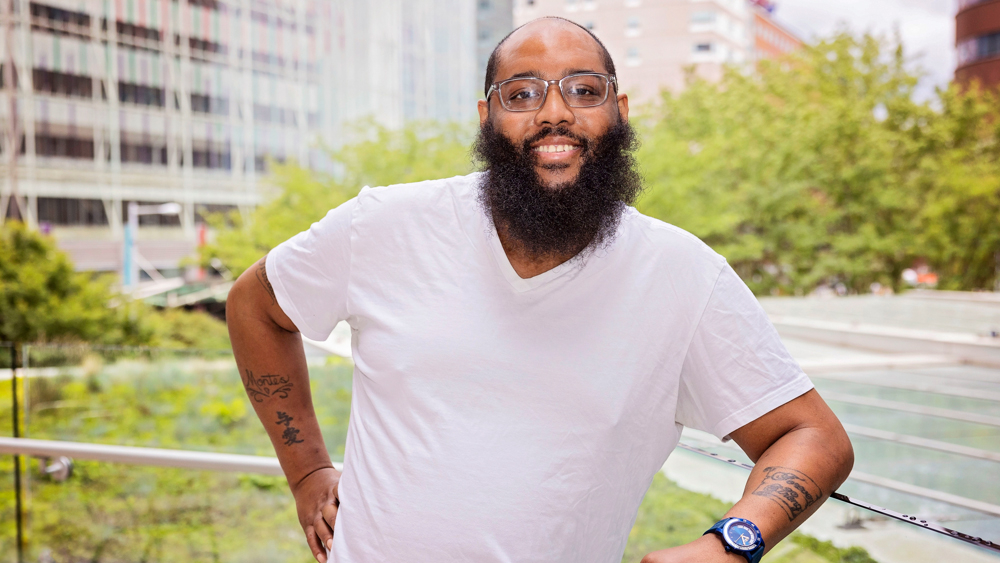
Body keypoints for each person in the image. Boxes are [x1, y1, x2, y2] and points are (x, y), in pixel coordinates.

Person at [226, 17, 854, 563]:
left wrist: (734, 539)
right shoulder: (384, 225)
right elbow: (254, 306)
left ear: (620, 112)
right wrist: (307, 470)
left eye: (585, 90)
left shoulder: (685, 276)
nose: (555, 111)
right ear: (486, 117)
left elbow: (815, 437)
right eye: (522, 93)